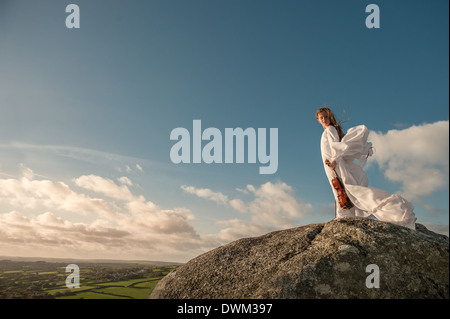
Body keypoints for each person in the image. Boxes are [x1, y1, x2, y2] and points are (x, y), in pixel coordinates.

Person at [316, 106, 416, 230]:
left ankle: (344, 214)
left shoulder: (330, 129)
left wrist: (335, 161)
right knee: (341, 188)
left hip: (333, 164)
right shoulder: (327, 131)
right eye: (322, 118)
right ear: (318, 120)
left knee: (341, 187)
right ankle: (345, 213)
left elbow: (336, 146)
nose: (324, 119)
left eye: (326, 117)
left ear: (329, 117)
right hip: (330, 163)